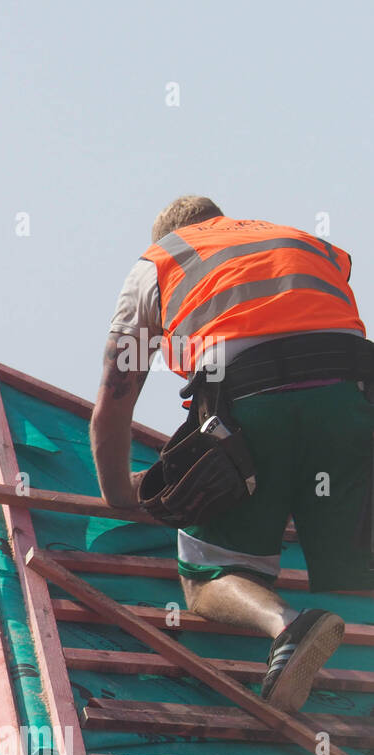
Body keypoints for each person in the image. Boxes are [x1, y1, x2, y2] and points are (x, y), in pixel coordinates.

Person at [91, 195, 374, 715]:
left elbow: (115, 397)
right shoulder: (305, 243)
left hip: (253, 405)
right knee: (355, 573)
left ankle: (288, 628)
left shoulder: (159, 262)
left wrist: (117, 492)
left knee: (207, 575)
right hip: (355, 400)